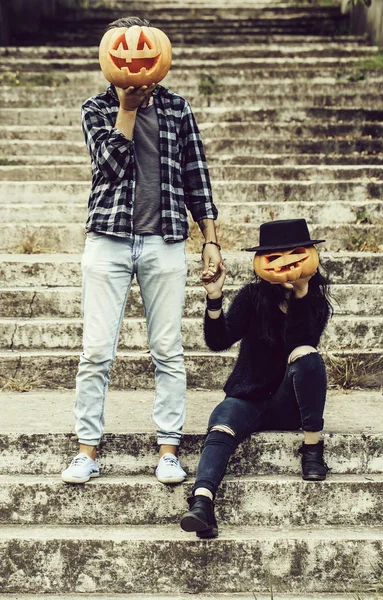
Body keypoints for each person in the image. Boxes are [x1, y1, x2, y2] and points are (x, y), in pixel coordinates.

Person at [61, 15, 221, 485]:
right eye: (124, 52)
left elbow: (198, 176)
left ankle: (168, 449)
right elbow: (109, 167)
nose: (134, 61)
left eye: (143, 52)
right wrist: (126, 110)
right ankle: (87, 450)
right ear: (110, 58)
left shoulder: (178, 109)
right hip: (108, 239)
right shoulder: (96, 109)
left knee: (168, 349)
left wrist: (210, 239)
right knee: (95, 352)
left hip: (164, 239)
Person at [180, 219, 333, 539]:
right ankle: (202, 504)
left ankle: (312, 450)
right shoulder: (253, 296)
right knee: (221, 420)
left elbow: (300, 344)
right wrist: (214, 297)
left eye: (295, 255)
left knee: (307, 354)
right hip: (249, 396)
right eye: (276, 256)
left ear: (310, 255)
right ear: (263, 261)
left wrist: (301, 295)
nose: (287, 264)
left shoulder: (316, 301)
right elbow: (219, 340)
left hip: (288, 401)